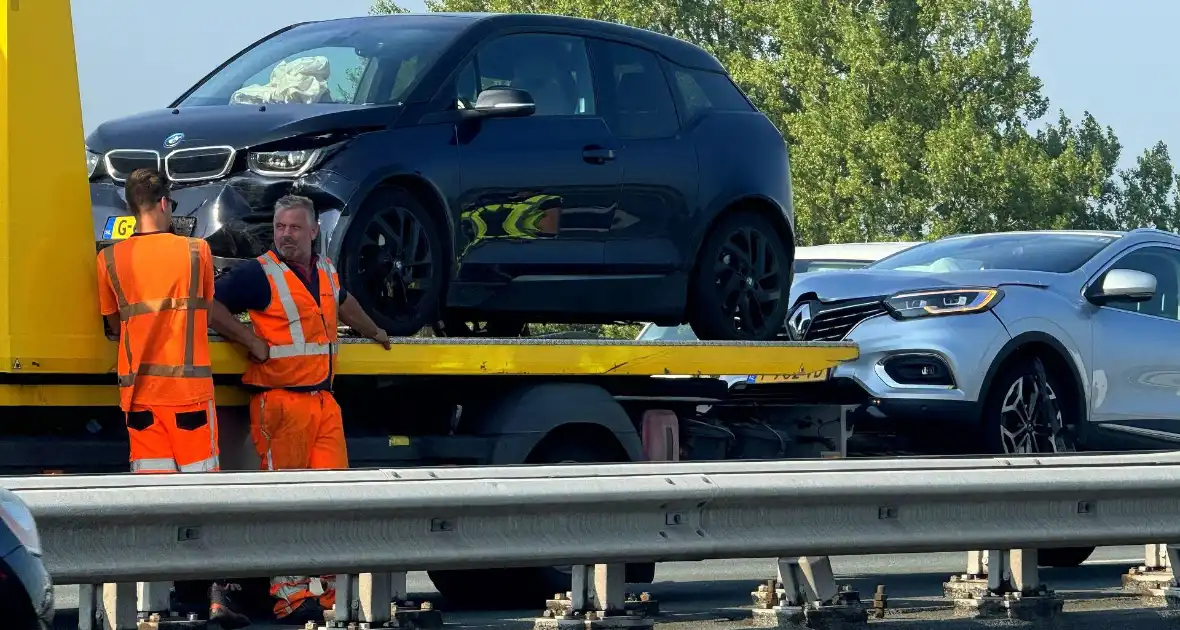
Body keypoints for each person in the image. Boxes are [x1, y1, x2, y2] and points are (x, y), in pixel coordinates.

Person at [209, 193, 391, 624]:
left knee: (331, 501)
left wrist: (375, 330)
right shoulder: (260, 273)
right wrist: (248, 339)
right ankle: (290, 596)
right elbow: (212, 306)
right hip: (281, 404)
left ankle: (326, 595)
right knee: (287, 504)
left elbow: (343, 302)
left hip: (323, 403)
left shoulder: (325, 271)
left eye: (294, 228)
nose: (285, 235)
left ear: (314, 232)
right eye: (280, 228)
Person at [95, 168, 250, 629]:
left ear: (130, 205)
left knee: (153, 501)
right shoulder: (194, 252)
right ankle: (214, 596)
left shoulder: (109, 261)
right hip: (188, 396)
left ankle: (152, 604)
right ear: (164, 203)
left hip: (140, 401)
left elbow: (110, 324)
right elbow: (204, 308)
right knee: (204, 499)